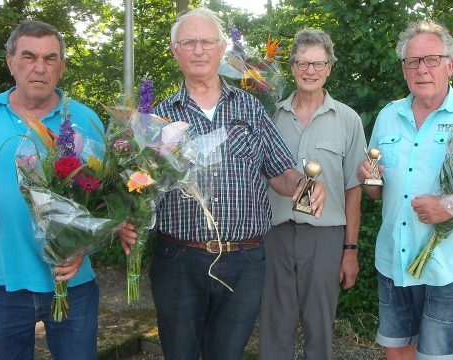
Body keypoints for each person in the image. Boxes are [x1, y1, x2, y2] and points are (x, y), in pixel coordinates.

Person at [118, 8, 326, 360]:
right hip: (178, 259)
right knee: (180, 354)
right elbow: (138, 188)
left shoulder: (250, 109)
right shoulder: (155, 120)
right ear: (174, 50)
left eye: (207, 42)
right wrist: (127, 220)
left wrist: (304, 185)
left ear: (222, 48)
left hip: (244, 260)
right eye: (188, 43)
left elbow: (280, 172)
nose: (198, 50)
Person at [0, 20, 102, 359]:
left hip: (72, 279)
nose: (40, 67)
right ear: (10, 62)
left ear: (62, 67)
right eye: (28, 56)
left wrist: (84, 246)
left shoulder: (86, 120)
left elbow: (106, 203)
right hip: (1, 279)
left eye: (51, 58)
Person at [356, 20, 453, 360]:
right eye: (412, 61)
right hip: (394, 260)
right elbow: (377, 193)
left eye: (431, 59)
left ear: (450, 64)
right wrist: (369, 179)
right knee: (396, 355)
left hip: (449, 267)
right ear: (404, 69)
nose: (421, 69)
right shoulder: (388, 116)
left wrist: (451, 207)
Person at [259, 29, 367, 360]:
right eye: (303, 63)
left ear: (330, 67)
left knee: (319, 329)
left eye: (318, 63)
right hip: (274, 234)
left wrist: (350, 250)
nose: (310, 71)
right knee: (274, 326)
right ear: (291, 66)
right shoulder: (269, 115)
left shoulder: (347, 120)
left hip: (325, 239)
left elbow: (354, 191)